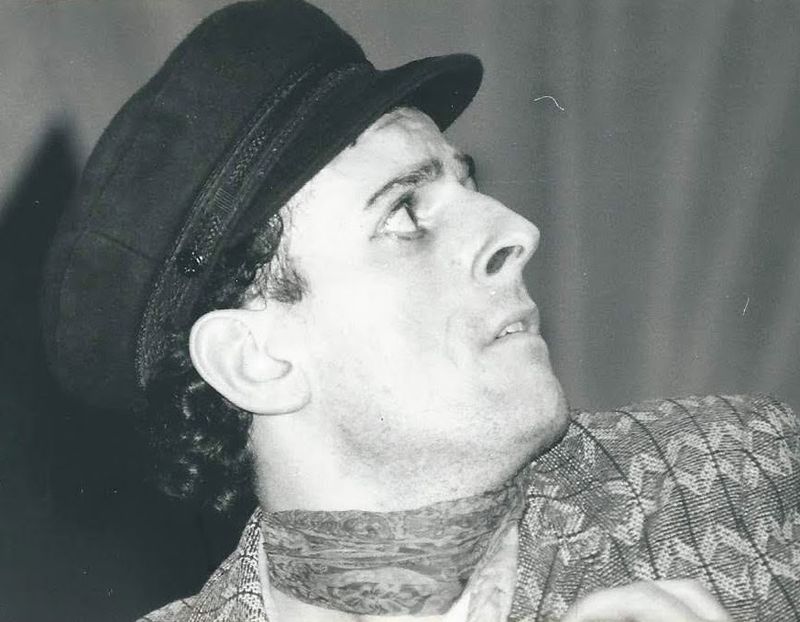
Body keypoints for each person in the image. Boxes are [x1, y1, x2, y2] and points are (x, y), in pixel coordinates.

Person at [41, 1, 799, 620]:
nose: (517, 231)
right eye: (405, 215)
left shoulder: (742, 476)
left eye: (468, 184)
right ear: (256, 360)